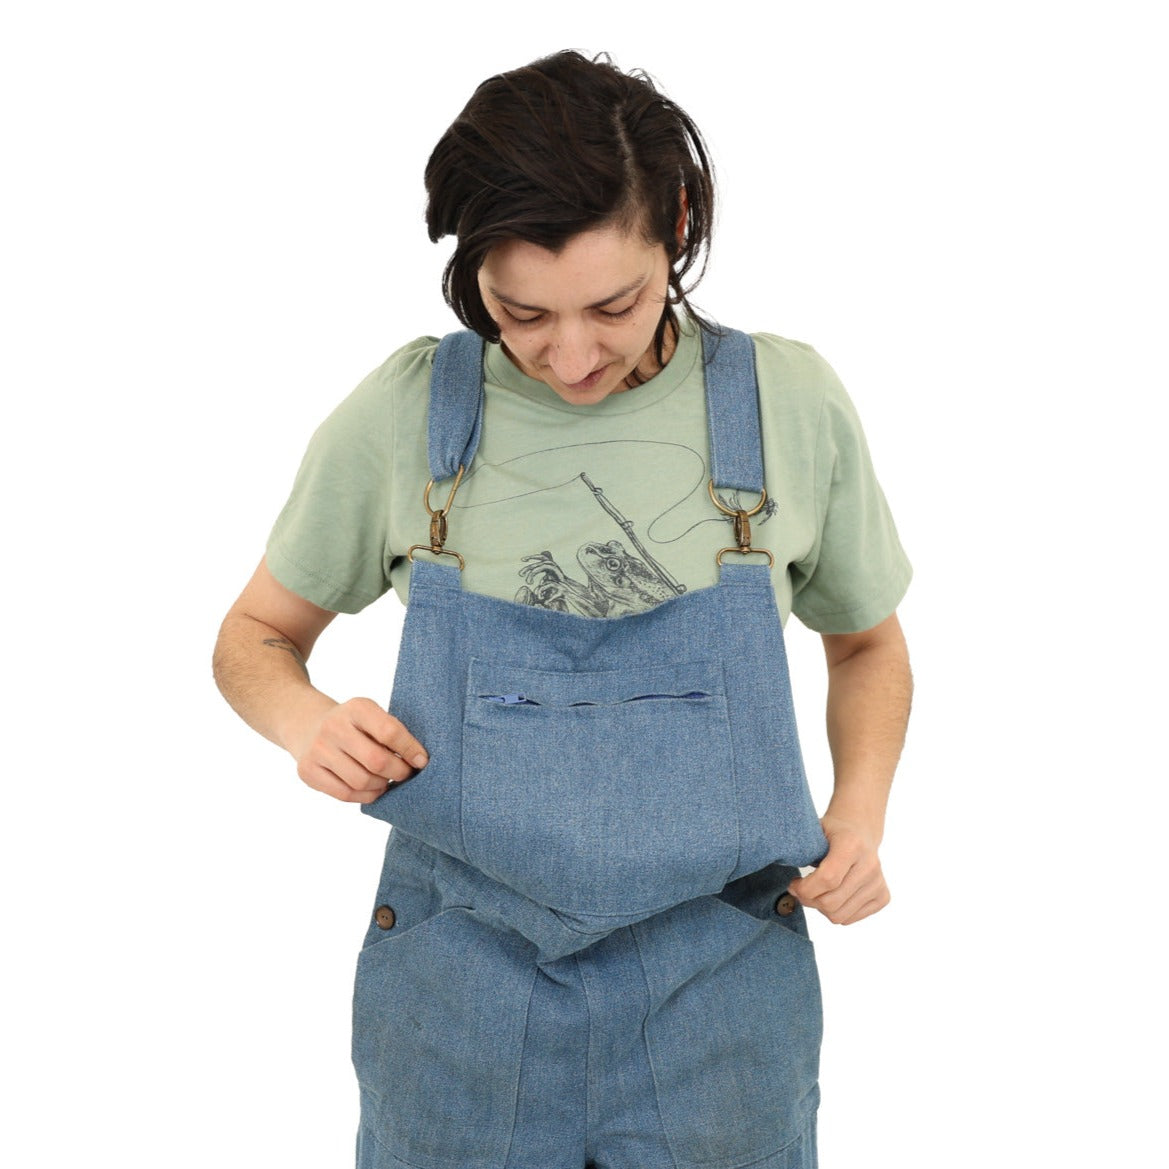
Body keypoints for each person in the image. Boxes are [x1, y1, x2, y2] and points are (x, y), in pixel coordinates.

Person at [213, 50, 912, 1169]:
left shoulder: (782, 400)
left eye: (614, 304)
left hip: (719, 983)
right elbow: (252, 638)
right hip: (458, 991)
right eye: (519, 311)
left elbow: (867, 640)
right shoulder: (410, 413)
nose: (570, 354)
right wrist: (307, 722)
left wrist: (860, 815)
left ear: (676, 225)